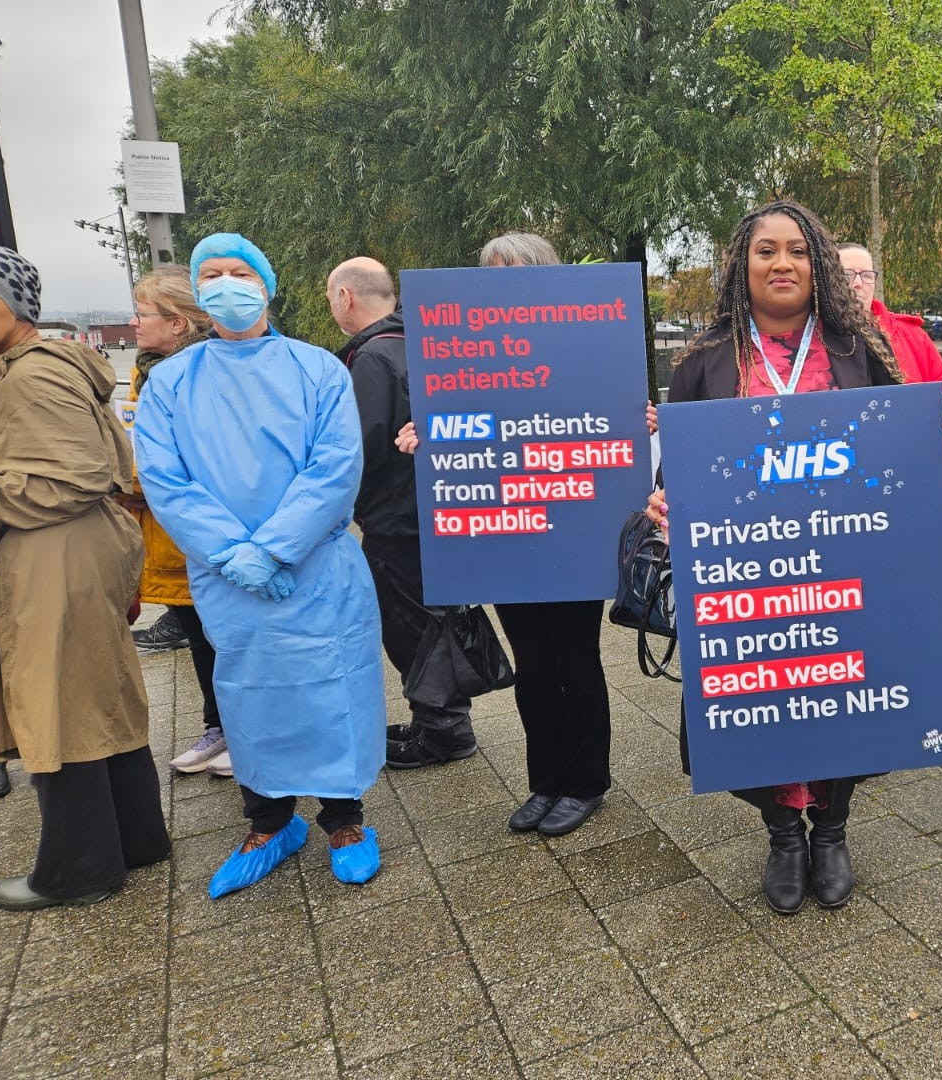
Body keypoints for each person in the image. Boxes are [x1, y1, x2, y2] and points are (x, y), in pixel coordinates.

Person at [646, 199, 908, 915]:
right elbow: (683, 471)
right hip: (751, 575)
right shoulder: (702, 360)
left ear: (817, 263)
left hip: (846, 569)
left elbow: (896, 451)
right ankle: (782, 833)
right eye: (767, 250)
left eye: (797, 249)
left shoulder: (859, 351)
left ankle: (832, 830)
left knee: (842, 696)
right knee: (760, 703)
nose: (783, 262)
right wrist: (666, 503)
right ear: (743, 265)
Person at [135, 233, 386, 896]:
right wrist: (230, 552)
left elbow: (334, 468)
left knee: (330, 686)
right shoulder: (170, 384)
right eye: (211, 273)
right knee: (247, 696)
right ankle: (269, 821)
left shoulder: (318, 370)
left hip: (315, 566)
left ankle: (344, 820)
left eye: (239, 272)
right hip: (229, 578)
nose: (226, 283)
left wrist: (272, 547)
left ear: (266, 285)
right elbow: (166, 479)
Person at [396, 230, 610, 837]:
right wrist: (427, 441)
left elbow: (606, 414)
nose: (501, 288)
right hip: (506, 534)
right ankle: (545, 781)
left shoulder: (583, 344)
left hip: (571, 533)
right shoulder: (467, 354)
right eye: (491, 275)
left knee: (577, 664)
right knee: (534, 667)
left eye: (513, 274)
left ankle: (587, 782)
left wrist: (636, 418)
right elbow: (464, 425)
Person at [0, 244, 170, 909]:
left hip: (53, 553)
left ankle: (78, 868)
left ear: (13, 307)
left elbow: (75, 476)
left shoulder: (32, 374)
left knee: (56, 703)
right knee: (99, 693)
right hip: (78, 549)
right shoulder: (49, 366)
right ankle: (138, 838)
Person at [327, 256, 478, 768]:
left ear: (346, 297)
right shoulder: (431, 343)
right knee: (434, 621)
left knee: (408, 625)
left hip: (395, 517)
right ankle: (442, 720)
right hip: (437, 512)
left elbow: (360, 448)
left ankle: (442, 730)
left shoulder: (371, 358)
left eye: (331, 299)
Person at [123, 265, 231, 778]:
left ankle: (241, 732)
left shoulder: (204, 376)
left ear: (178, 324)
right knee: (198, 636)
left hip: (201, 533)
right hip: (165, 535)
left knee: (223, 639)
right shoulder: (145, 374)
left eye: (143, 314)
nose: (134, 324)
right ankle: (218, 727)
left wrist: (132, 480)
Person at [838, 243, 942, 535]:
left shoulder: (911, 338)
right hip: (845, 503)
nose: (858, 283)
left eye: (866, 275)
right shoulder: (811, 344)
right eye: (846, 274)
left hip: (912, 490)